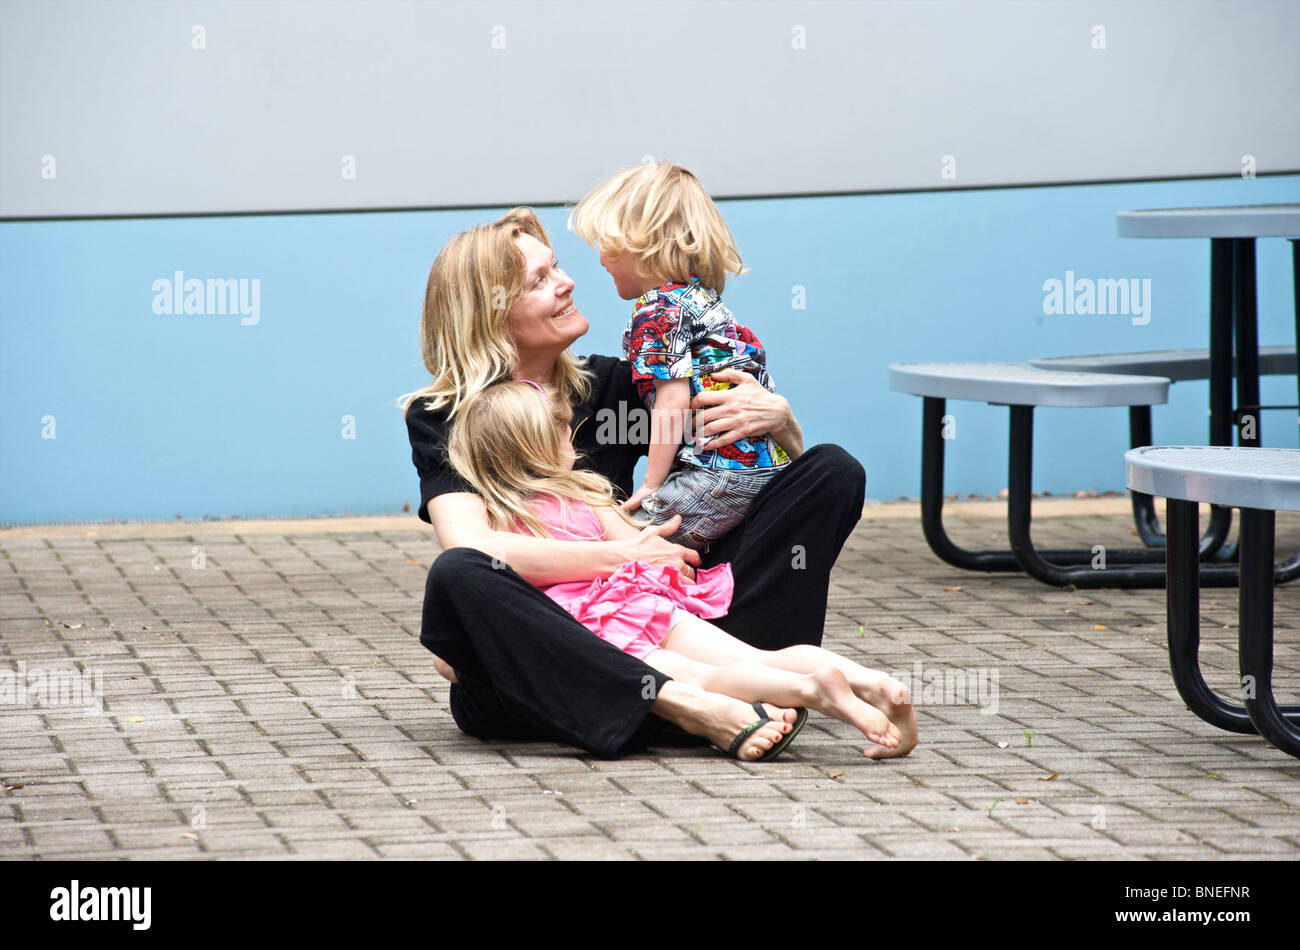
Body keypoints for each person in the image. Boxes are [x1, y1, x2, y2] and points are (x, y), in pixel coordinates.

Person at [402, 205, 869, 760]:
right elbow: (475, 546)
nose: (568, 282)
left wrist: (782, 424)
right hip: (553, 651)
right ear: (490, 314)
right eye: (540, 280)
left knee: (830, 471)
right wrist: (626, 556)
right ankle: (683, 704)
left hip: (673, 623)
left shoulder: (617, 384)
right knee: (460, 574)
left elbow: (739, 474)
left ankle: (730, 685)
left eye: (557, 267)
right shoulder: (445, 414)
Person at [445, 380, 917, 758]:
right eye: (561, 432)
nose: (573, 439)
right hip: (646, 606)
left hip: (604, 631)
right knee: (752, 657)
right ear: (531, 449)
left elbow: (483, 592)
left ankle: (809, 689)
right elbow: (644, 549)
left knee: (703, 681)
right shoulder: (585, 494)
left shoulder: (498, 515)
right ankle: (872, 682)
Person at [569, 162, 788, 550]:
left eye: (608, 246)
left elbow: (672, 401)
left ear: (643, 244)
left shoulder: (656, 309)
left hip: (717, 475)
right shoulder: (701, 300)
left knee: (619, 543)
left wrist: (652, 486)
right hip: (763, 466)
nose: (601, 259)